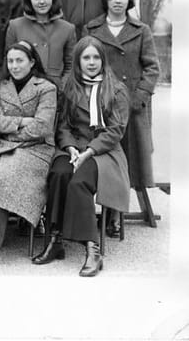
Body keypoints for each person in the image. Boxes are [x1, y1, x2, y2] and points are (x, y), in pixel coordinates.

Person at [32, 37, 130, 277]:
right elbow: (63, 125)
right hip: (74, 147)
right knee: (59, 174)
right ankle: (55, 240)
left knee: (79, 182)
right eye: (86, 57)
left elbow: (115, 131)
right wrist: (70, 148)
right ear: (78, 61)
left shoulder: (116, 89)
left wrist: (88, 152)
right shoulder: (69, 86)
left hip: (103, 151)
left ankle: (92, 250)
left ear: (103, 60)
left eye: (96, 57)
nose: (91, 62)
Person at [0, 41, 57, 272]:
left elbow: (43, 126)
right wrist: (21, 121)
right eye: (10, 61)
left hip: (36, 150)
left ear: (32, 62)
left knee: (3, 176)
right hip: (5, 146)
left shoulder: (46, 88)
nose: (14, 66)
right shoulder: (2, 86)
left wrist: (11, 130)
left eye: (20, 60)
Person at [85, 0, 160, 231]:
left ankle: (116, 214)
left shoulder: (142, 30)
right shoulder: (92, 29)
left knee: (127, 157)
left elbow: (152, 68)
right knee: (106, 155)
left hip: (133, 106)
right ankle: (102, 210)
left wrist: (139, 97)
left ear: (129, 0)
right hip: (100, 102)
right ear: (105, 0)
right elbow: (84, 61)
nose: (118, 1)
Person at [5, 0, 76, 88]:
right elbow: (8, 62)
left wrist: (61, 88)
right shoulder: (15, 26)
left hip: (56, 90)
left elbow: (70, 66)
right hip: (24, 89)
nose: (41, 1)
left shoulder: (67, 29)